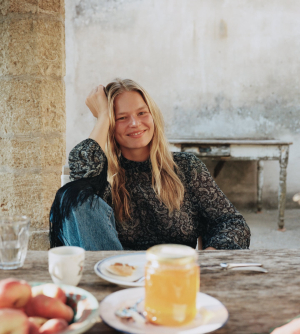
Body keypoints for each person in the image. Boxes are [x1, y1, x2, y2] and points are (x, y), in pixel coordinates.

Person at [49, 79, 250, 251]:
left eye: (142, 113)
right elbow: (76, 193)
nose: (135, 123)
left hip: (174, 275)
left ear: (153, 115)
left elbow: (232, 223)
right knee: (74, 195)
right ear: (110, 124)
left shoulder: (186, 167)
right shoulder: (101, 176)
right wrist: (102, 117)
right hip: (118, 275)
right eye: (121, 117)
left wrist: (210, 257)